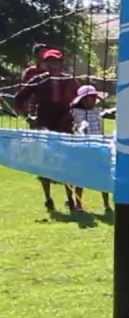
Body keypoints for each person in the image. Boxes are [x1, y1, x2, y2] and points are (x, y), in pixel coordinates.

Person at [14, 48, 78, 211]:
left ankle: (71, 199)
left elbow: (80, 98)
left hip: (64, 125)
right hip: (44, 125)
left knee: (67, 161)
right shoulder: (39, 79)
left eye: (56, 62)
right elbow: (19, 98)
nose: (52, 65)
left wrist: (75, 116)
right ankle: (48, 198)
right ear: (45, 64)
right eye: (49, 62)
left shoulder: (69, 80)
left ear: (61, 63)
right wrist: (28, 117)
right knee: (44, 163)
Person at [70, 84, 112, 213]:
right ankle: (78, 204)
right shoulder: (75, 112)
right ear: (82, 100)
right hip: (83, 147)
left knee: (104, 175)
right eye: (89, 98)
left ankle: (106, 204)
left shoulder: (97, 111)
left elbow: (100, 125)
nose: (92, 101)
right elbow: (74, 128)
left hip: (98, 146)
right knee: (80, 176)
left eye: (94, 98)